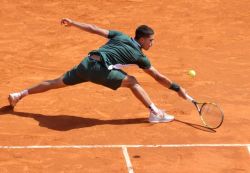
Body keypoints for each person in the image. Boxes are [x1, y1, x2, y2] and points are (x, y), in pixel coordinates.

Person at [8, 18, 187, 123]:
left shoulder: (120, 35)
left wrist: (73, 23)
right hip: (99, 70)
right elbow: (157, 76)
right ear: (141, 40)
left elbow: (94, 29)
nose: (152, 43)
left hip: (87, 63)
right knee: (132, 82)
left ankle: (19, 94)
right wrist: (178, 89)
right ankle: (155, 113)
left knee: (56, 82)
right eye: (150, 40)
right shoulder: (139, 56)